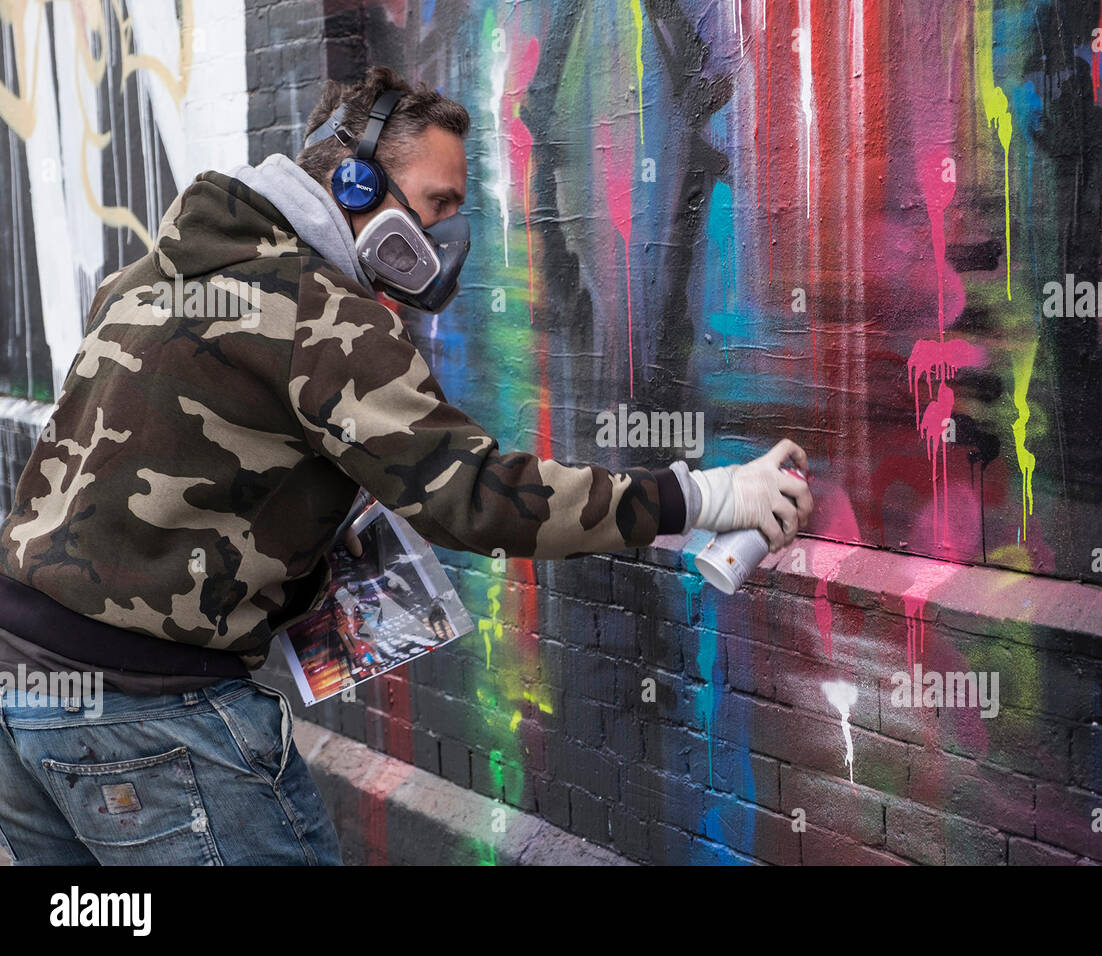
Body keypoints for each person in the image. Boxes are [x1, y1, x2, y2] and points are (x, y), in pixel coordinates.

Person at [0, 66, 813, 865]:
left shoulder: (146, 277)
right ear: (353, 186)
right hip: (152, 719)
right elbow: (474, 495)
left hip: (21, 693)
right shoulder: (321, 312)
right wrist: (702, 494)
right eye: (437, 204)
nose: (446, 237)